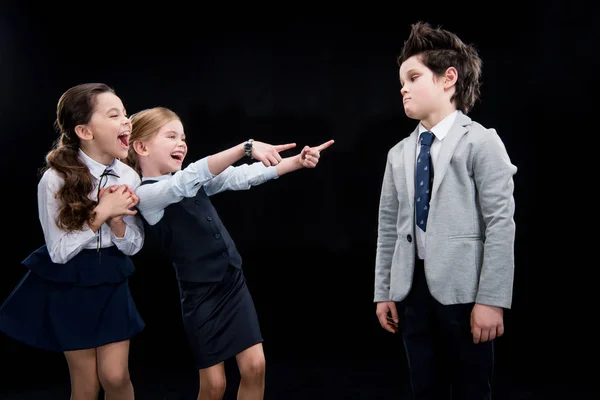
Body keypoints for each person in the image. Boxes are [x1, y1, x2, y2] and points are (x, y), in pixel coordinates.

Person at [124, 106, 333, 400]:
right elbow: (186, 181)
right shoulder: (148, 195)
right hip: (200, 294)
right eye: (171, 136)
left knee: (255, 366)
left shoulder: (190, 179)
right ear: (141, 146)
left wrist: (295, 163)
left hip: (231, 281)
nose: (181, 143)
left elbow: (240, 177)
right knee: (214, 386)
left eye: (183, 137)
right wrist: (245, 147)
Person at [374, 22, 517, 400]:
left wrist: (492, 299)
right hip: (412, 292)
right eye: (401, 80)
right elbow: (389, 226)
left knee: (472, 389)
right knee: (424, 388)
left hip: (466, 291)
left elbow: (500, 224)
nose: (403, 87)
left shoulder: (481, 142)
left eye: (413, 77)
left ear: (448, 78)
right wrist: (384, 290)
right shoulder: (399, 153)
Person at [0, 83, 145, 400]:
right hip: (69, 282)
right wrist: (101, 213)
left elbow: (134, 246)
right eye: (113, 114)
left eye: (125, 113)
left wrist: (118, 222)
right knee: (86, 384)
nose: (126, 121)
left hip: (111, 276)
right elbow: (59, 251)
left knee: (116, 376)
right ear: (85, 131)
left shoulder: (130, 176)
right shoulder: (55, 178)